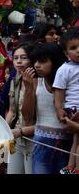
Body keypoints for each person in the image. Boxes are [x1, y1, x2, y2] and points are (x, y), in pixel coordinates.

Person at [21, 43, 70, 174]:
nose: (36, 65)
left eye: (42, 61)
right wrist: (28, 89)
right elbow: (27, 117)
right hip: (42, 143)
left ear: (55, 61)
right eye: (35, 61)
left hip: (66, 144)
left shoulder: (69, 82)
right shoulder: (37, 82)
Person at [5, 44, 35, 174]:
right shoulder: (14, 80)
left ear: (31, 60)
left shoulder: (39, 82)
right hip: (15, 137)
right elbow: (11, 110)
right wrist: (4, 130)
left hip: (33, 139)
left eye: (23, 58)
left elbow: (31, 117)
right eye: (16, 58)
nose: (19, 61)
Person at [53, 27, 79, 174]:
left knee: (76, 140)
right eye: (73, 48)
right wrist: (59, 110)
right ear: (66, 53)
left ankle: (71, 166)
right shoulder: (65, 69)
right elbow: (59, 91)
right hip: (73, 109)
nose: (78, 50)